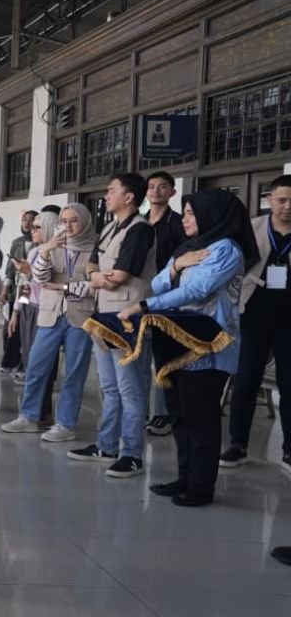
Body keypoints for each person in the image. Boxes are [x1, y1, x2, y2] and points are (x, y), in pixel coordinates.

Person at [118, 189, 258, 506]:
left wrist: (145, 306)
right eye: (187, 213)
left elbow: (197, 290)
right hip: (177, 340)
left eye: (193, 213)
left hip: (207, 345)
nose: (187, 219)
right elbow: (158, 283)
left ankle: (200, 487)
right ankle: (184, 477)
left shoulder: (225, 249)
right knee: (179, 415)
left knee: (202, 418)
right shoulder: (191, 248)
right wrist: (176, 265)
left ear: (213, 215)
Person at [69, 173, 156, 477]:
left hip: (127, 320)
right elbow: (90, 267)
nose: (106, 195)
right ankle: (107, 444)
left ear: (129, 197)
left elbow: (119, 277)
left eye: (111, 191)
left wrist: (97, 278)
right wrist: (97, 277)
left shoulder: (139, 230)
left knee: (131, 388)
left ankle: (132, 453)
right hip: (103, 316)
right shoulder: (109, 228)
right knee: (109, 386)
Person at [0, 205, 98, 442]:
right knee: (35, 364)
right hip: (45, 312)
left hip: (79, 316)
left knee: (74, 371)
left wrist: (64, 288)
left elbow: (95, 286)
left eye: (73, 221)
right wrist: (16, 311)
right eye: (63, 222)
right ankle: (30, 415)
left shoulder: (94, 249)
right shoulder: (44, 249)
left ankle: (65, 423)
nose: (68, 227)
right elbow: (35, 280)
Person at [222, 174, 291, 472]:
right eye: (282, 200)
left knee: (289, 385)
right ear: (270, 201)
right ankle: (238, 444)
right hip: (253, 314)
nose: (287, 206)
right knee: (246, 381)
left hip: (289, 319)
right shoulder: (252, 228)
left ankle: (289, 448)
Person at [146, 171, 188, 436]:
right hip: (137, 294)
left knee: (164, 355)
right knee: (136, 354)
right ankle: (139, 410)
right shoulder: (138, 222)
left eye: (163, 187)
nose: (156, 191)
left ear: (172, 192)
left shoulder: (178, 224)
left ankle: (163, 413)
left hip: (166, 298)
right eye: (152, 187)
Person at [0, 210, 38, 376]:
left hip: (31, 293)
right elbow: (9, 271)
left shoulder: (40, 246)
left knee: (27, 331)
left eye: (31, 220)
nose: (27, 223)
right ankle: (10, 361)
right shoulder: (17, 243)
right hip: (19, 291)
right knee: (10, 329)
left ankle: (24, 364)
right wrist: (4, 292)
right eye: (24, 219)